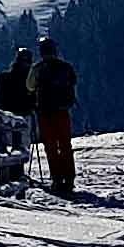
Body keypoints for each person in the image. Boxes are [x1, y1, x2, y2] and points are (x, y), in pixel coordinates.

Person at [34, 35, 80, 199]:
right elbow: (73, 82)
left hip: (45, 112)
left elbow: (30, 86)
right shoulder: (66, 67)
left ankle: (57, 179)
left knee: (51, 146)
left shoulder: (38, 68)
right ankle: (69, 178)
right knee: (65, 145)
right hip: (62, 111)